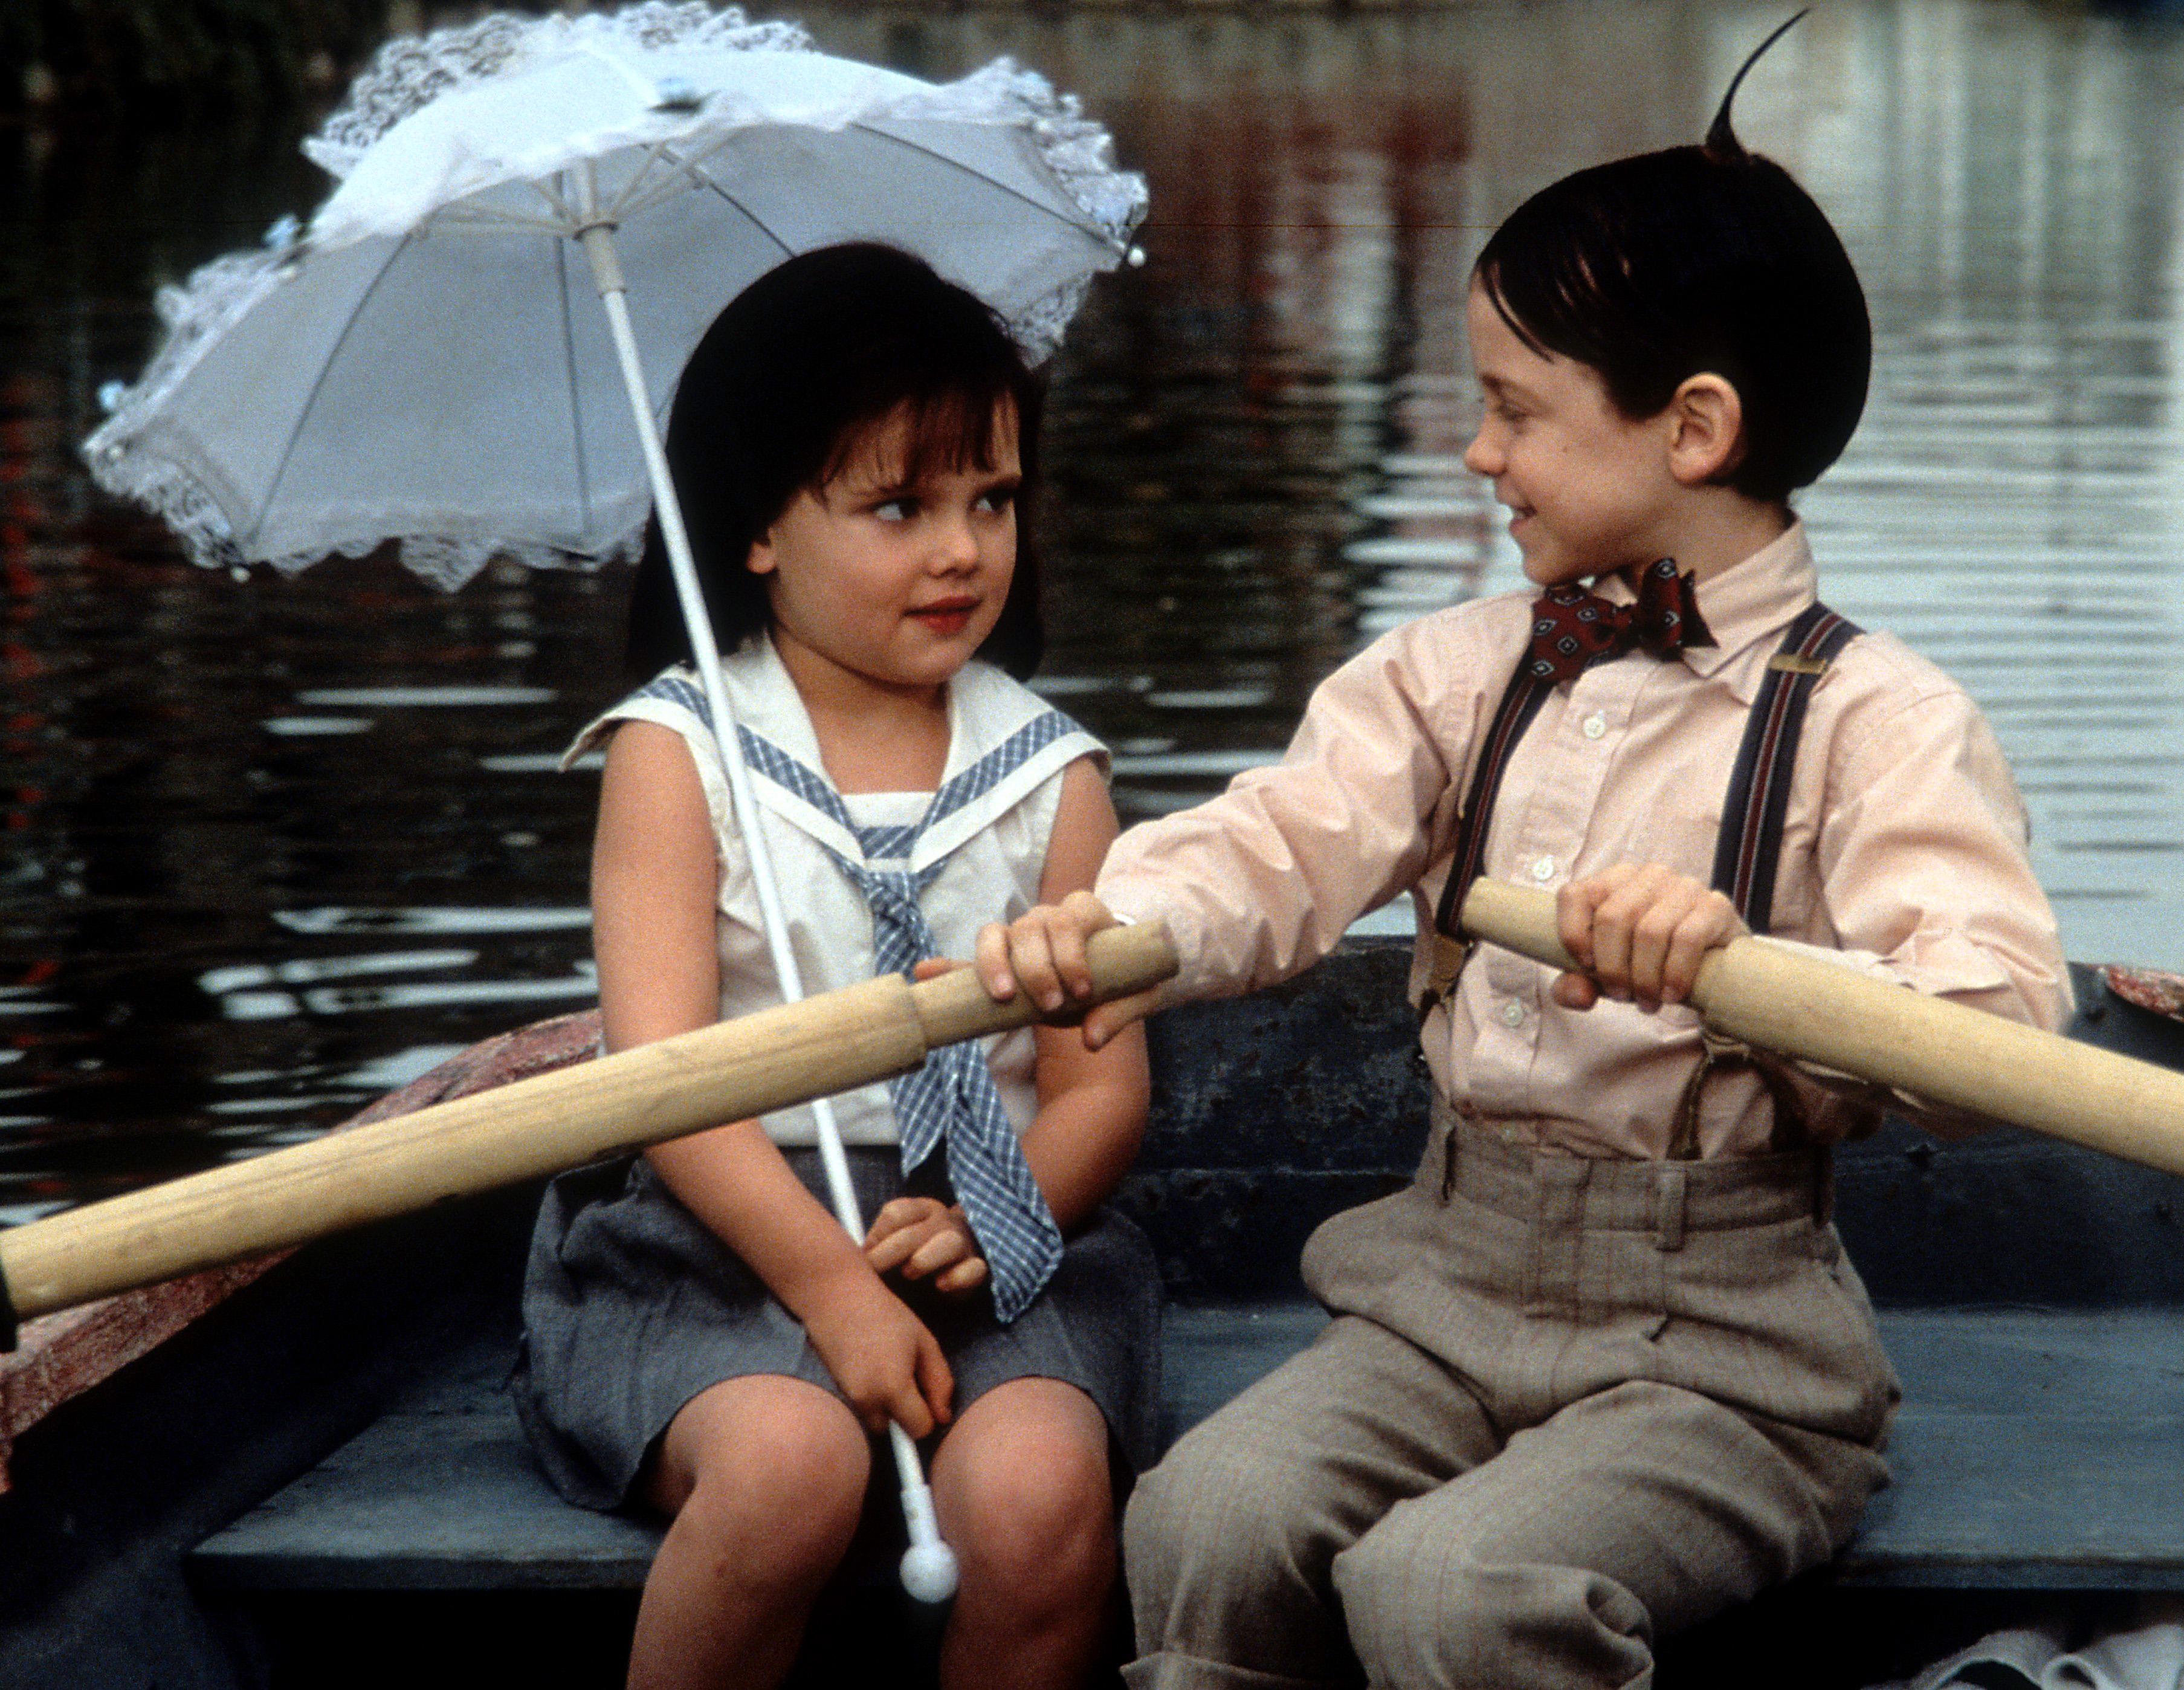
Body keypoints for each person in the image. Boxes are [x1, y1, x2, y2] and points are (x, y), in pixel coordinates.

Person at [977, 33, 2073, 1690]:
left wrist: (1742, 971)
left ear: (1691, 427)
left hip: (1723, 1357)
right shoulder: (1457, 669)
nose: (1476, 453)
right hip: (1440, 1287)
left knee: (1449, 1589)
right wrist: (1114, 923)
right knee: (1198, 1524)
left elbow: (1989, 1030)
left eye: (1511, 410)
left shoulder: (1878, 719)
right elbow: (1278, 841)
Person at [508, 244, 1158, 1690]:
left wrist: (1004, 1220)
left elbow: (1099, 1094)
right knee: (791, 1473)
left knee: (1036, 1503)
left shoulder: (1051, 773)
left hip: (993, 1212)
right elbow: (669, 1088)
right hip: (722, 1218)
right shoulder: (680, 759)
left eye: (992, 498)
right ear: (755, 530)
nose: (962, 550)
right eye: (897, 507)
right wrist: (837, 1294)